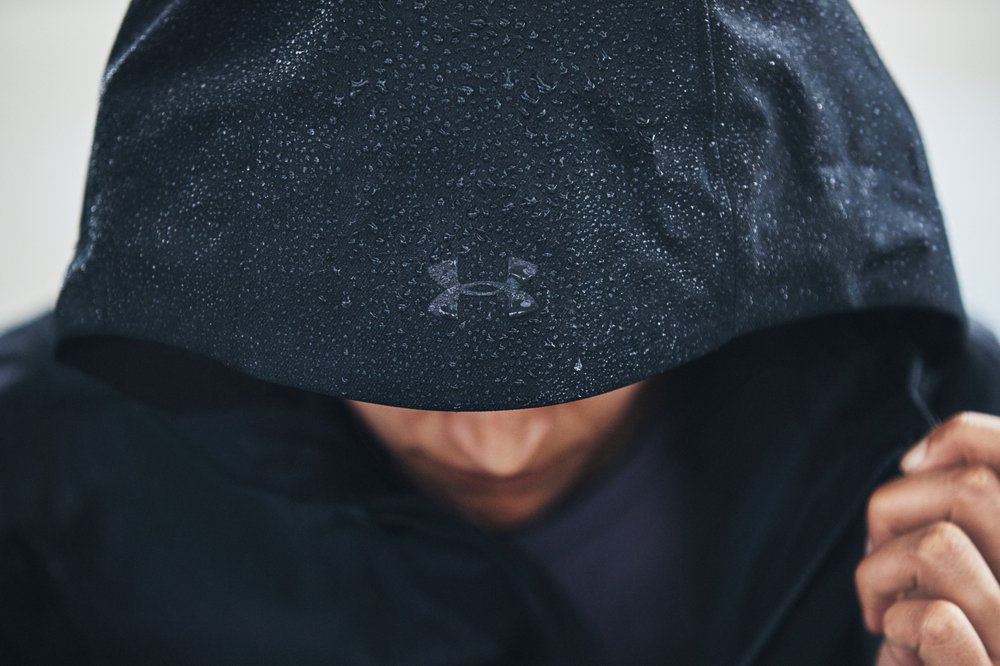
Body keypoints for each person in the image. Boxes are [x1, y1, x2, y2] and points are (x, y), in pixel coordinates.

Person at [2, 0, 1000, 664]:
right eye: (383, 344)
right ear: (251, 250)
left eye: (593, 339)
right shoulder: (29, 498)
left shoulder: (974, 473)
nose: (498, 446)